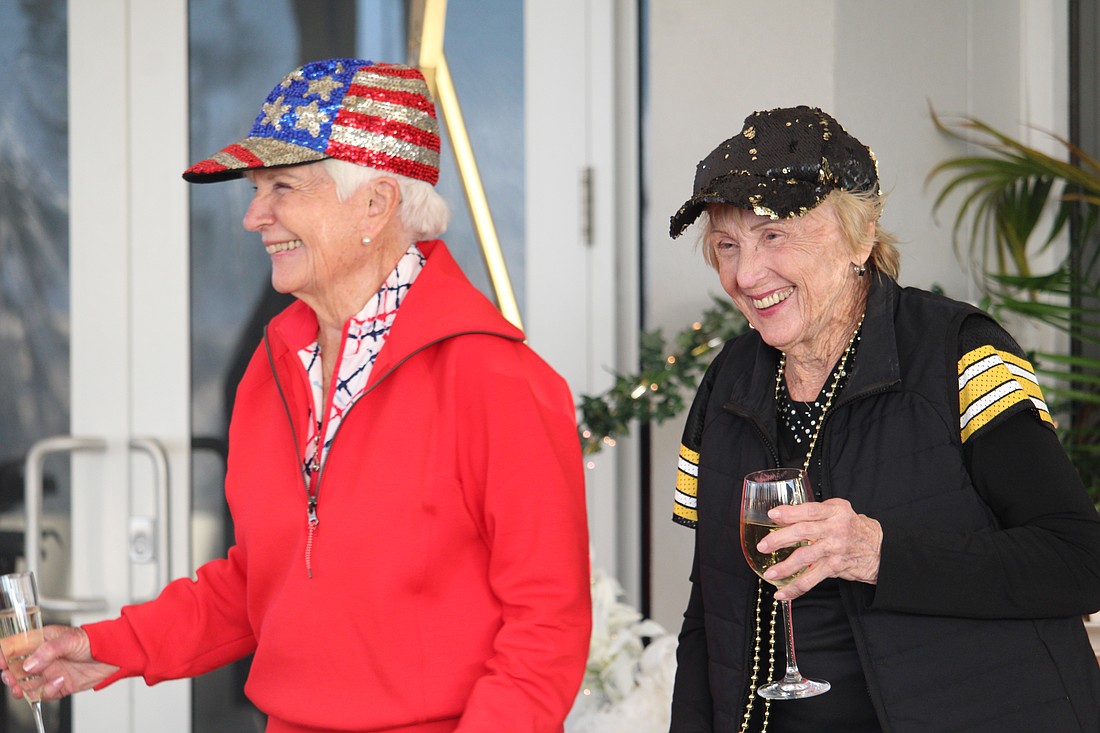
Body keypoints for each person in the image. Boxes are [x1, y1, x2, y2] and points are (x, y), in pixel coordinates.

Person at [1, 58, 592, 733]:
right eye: (256, 190)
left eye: (282, 186)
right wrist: (102, 648)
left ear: (376, 203)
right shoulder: (275, 367)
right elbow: (259, 583)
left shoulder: (497, 381)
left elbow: (546, 630)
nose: (255, 216)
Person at [666, 105, 1100, 732]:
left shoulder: (958, 353)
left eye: (774, 236)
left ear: (860, 236)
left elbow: (1079, 560)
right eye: (727, 245)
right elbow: (709, 611)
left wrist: (879, 554)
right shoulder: (728, 380)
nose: (745, 274)